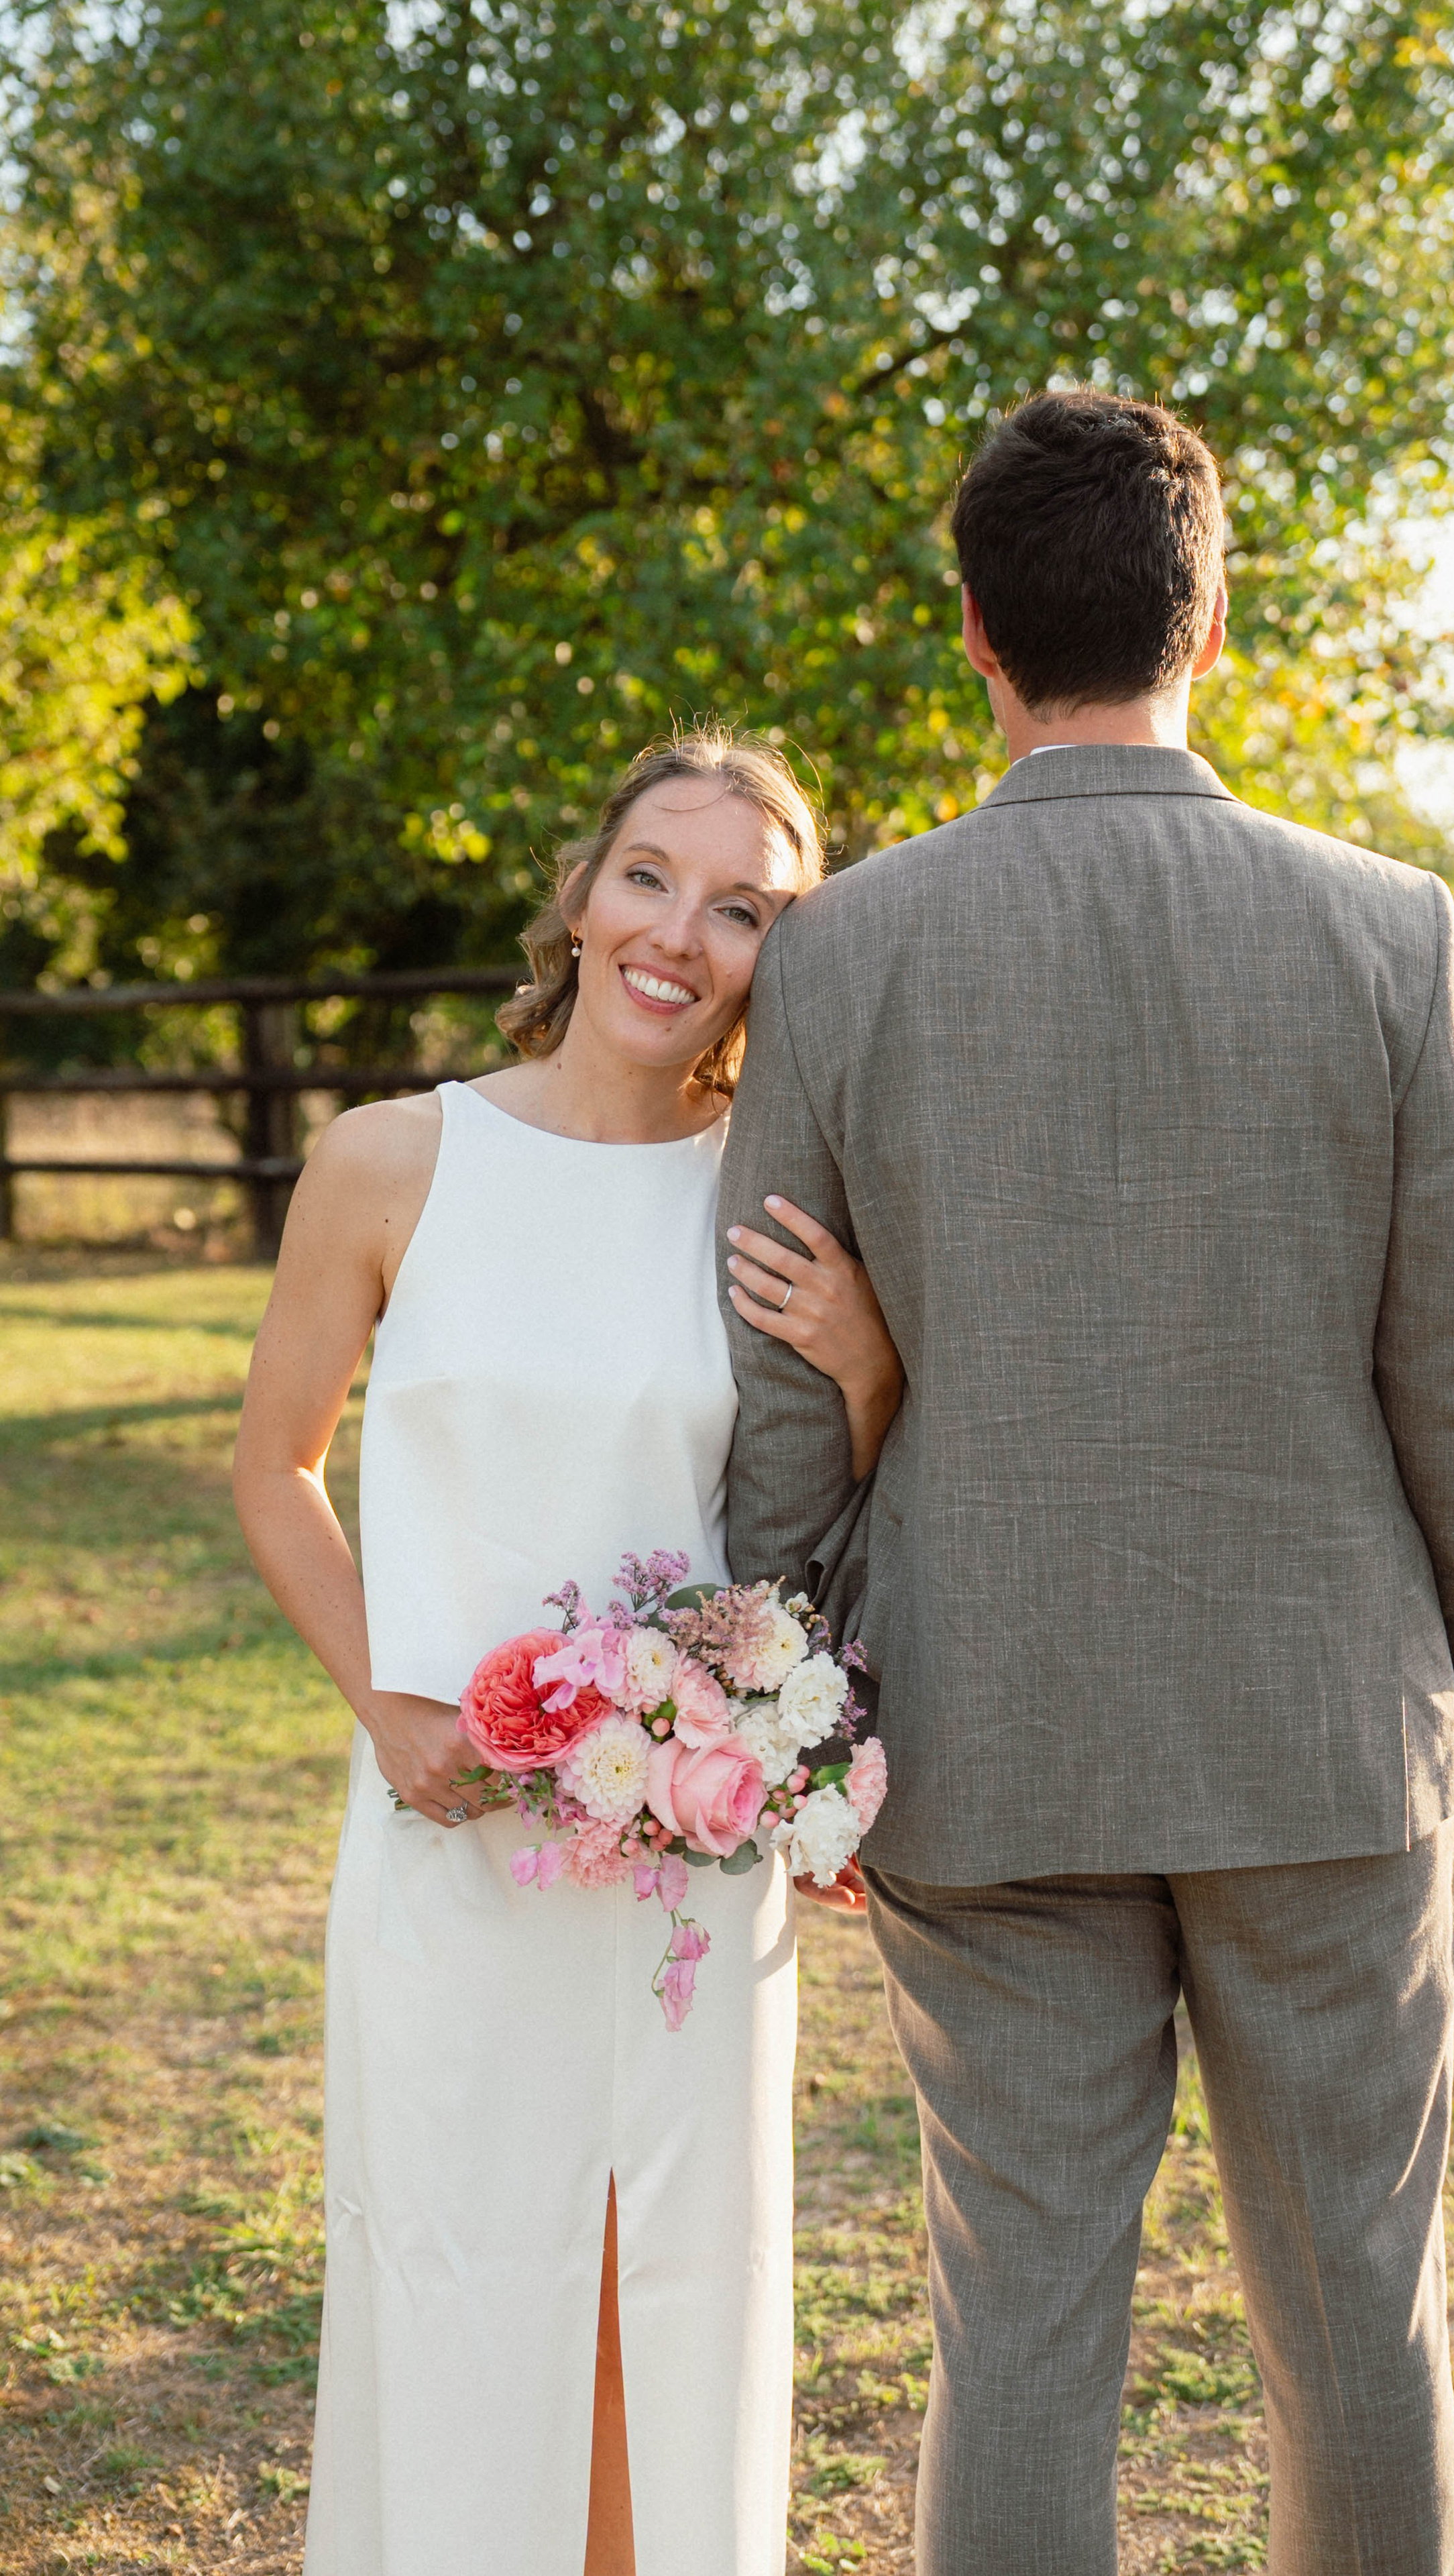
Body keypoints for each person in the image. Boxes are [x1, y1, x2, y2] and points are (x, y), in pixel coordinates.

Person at [719, 390, 1454, 2576]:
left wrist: (789, 1727)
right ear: (1217, 613)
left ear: (972, 633)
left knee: (1022, 2327)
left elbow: (784, 1384)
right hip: (1332, 1732)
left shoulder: (842, 951)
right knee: (1364, 2308)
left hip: (982, 1733)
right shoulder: (1392, 929)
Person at [231, 725, 899, 2576]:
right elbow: (274, 1470)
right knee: (462, 2285)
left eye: (746, 908)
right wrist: (392, 1705)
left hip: (692, 1857)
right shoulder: (391, 1160)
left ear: (785, 955)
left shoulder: (773, 1196)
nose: (682, 932)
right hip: (457, 1842)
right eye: (651, 877)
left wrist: (865, 1359)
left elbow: (826, 1504)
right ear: (585, 893)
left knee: (661, 2300)